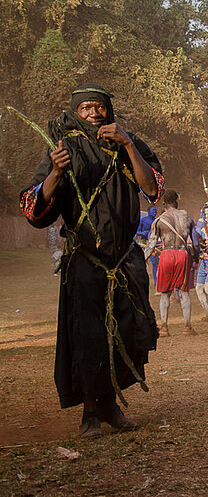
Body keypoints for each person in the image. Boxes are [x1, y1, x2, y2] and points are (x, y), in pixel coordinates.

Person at [19, 83, 164, 438]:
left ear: (108, 111)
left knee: (126, 332)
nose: (93, 113)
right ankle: (90, 414)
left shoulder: (129, 144)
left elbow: (154, 188)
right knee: (88, 336)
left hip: (125, 260)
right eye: (85, 108)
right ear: (74, 112)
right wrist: (55, 173)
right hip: (85, 260)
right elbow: (33, 209)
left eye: (98, 107)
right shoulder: (63, 149)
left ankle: (111, 405)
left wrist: (128, 144)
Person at [144, 189, 200, 337]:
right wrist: (196, 258)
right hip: (182, 254)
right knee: (184, 292)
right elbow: (195, 243)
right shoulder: (187, 218)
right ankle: (187, 327)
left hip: (166, 254)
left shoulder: (159, 221)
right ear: (177, 201)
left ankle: (164, 327)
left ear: (163, 204)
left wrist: (144, 259)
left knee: (165, 294)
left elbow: (151, 244)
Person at [137, 206, 158, 283]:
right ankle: (141, 279)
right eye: (153, 210)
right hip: (143, 242)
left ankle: (155, 281)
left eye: (155, 211)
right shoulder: (143, 220)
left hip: (152, 242)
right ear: (148, 211)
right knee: (142, 260)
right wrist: (142, 233)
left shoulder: (156, 221)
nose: (154, 212)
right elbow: (137, 232)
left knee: (154, 261)